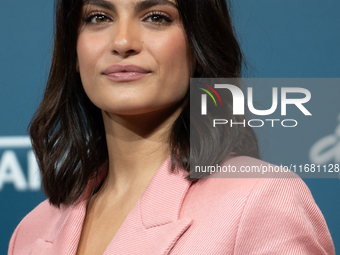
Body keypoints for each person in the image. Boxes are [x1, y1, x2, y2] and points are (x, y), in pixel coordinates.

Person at [8, 0, 335, 254]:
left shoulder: (261, 199)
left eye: (156, 17)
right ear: (74, 52)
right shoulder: (31, 231)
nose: (122, 41)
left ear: (198, 43)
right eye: (98, 17)